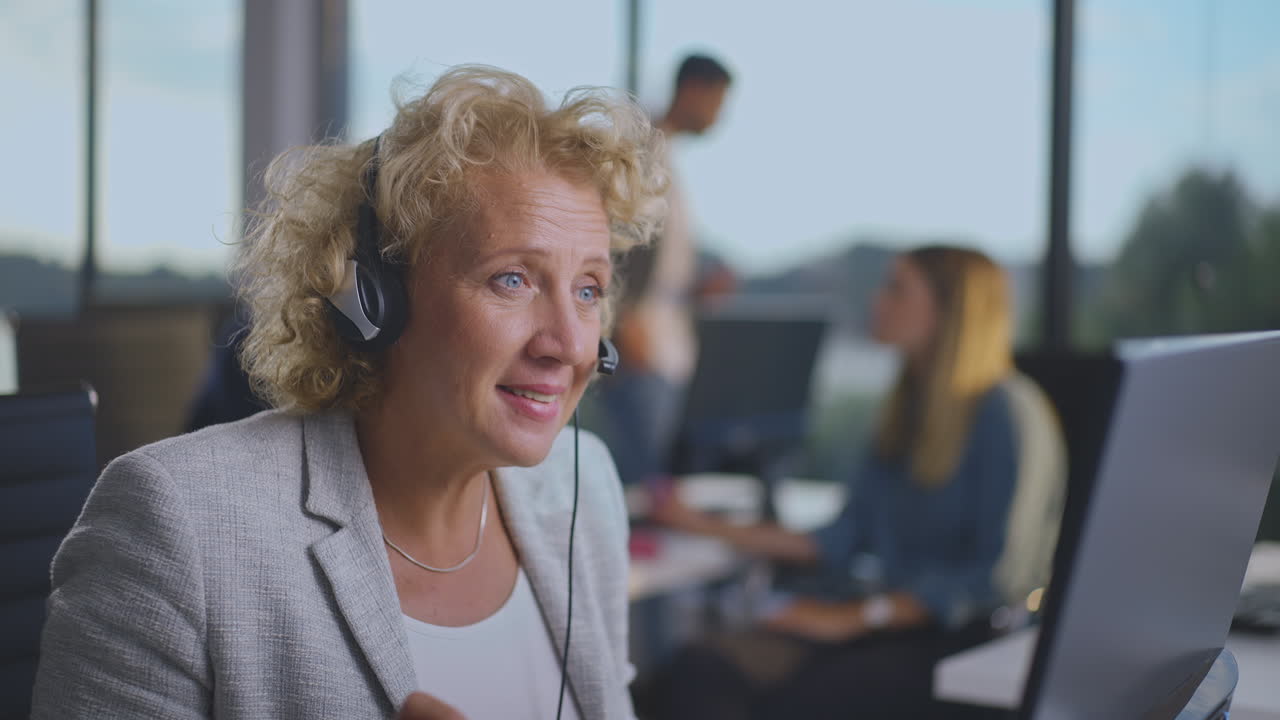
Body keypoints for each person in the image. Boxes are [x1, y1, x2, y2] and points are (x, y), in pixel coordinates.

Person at [31, 66, 666, 719]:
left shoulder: (582, 495)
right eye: (511, 279)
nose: (569, 344)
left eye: (587, 290)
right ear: (371, 300)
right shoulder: (176, 525)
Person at [647, 246, 1029, 719]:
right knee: (699, 668)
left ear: (947, 312)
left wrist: (857, 617)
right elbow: (840, 538)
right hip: (884, 622)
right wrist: (699, 523)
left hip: (954, 640)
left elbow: (992, 578)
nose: (877, 299)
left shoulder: (1001, 412)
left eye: (897, 289)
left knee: (787, 701)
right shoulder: (905, 411)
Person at [598, 54, 733, 486]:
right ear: (694, 90)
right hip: (642, 344)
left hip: (668, 343)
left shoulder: (668, 158)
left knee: (659, 476)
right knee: (647, 482)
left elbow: (655, 265)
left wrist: (694, 288)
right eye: (718, 101)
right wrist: (620, 319)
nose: (719, 116)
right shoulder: (639, 150)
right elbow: (611, 237)